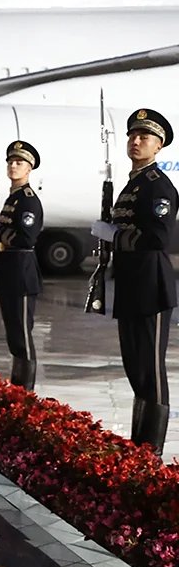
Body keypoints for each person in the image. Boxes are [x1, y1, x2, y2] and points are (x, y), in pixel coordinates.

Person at [92, 108, 178, 455]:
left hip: (151, 284)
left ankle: (151, 450)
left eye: (144, 137)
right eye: (132, 135)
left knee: (150, 369)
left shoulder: (158, 185)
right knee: (133, 365)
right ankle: (138, 445)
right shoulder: (134, 184)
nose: (136, 141)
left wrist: (115, 235)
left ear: (158, 146)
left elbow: (157, 237)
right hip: (128, 282)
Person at [0, 141, 43, 389]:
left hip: (21, 271)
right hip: (9, 270)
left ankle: (25, 390)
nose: (13, 166)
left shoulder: (27, 200)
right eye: (10, 162)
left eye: (19, 162)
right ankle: (18, 385)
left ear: (29, 168)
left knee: (22, 335)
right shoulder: (13, 199)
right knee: (13, 334)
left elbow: (25, 238)